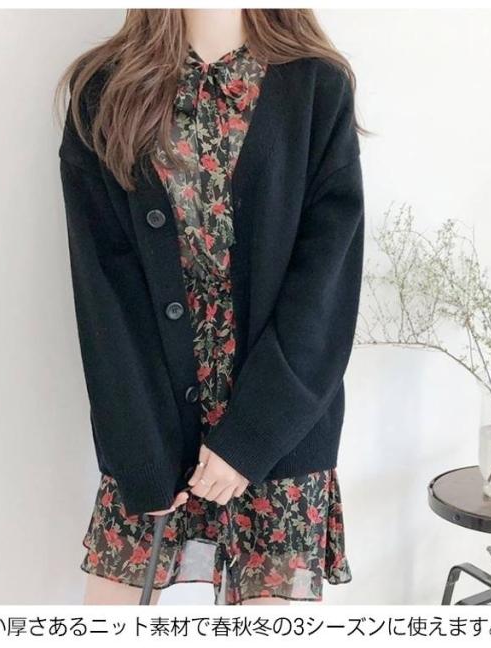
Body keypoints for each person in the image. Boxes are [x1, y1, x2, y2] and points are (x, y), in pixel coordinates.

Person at [56, 8, 365, 605]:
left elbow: (325, 286)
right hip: (151, 421)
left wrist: (250, 438)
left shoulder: (316, 86)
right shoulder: (103, 88)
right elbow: (103, 292)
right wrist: (141, 456)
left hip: (280, 425)